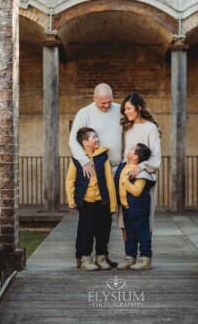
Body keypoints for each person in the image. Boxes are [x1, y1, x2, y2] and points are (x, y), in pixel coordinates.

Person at [68, 83, 122, 268]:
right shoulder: (84, 113)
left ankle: (102, 255)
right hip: (92, 167)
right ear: (94, 98)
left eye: (109, 102)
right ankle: (84, 256)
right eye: (102, 103)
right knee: (87, 225)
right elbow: (73, 140)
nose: (107, 106)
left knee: (105, 222)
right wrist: (84, 160)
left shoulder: (120, 110)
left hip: (114, 167)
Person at [66, 127, 117, 271]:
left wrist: (112, 203)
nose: (97, 139)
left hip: (102, 201)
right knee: (86, 231)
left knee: (103, 230)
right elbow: (70, 180)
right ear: (85, 142)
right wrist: (71, 198)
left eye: (97, 136)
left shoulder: (103, 157)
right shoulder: (77, 159)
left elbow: (108, 180)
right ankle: (85, 258)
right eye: (93, 137)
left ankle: (101, 257)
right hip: (86, 202)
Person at [119, 92, 161, 236]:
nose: (126, 112)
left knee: (145, 217)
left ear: (139, 108)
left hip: (145, 177)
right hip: (127, 176)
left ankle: (145, 255)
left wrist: (140, 168)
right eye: (125, 109)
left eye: (129, 108)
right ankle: (130, 256)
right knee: (124, 219)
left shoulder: (150, 128)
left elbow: (156, 158)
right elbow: (124, 154)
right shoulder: (126, 128)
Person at [115, 143, 156, 270]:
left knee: (142, 233)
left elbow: (137, 191)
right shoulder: (123, 166)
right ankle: (130, 257)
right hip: (126, 208)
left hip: (139, 209)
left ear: (136, 157)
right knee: (130, 234)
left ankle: (145, 259)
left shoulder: (141, 172)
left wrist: (125, 182)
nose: (129, 149)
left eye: (132, 149)